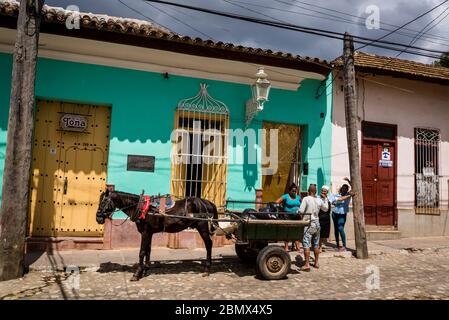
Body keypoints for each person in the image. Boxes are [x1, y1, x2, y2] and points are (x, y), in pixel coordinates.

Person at [298, 184, 329, 271]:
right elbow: (326, 209)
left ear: (308, 190)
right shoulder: (319, 200)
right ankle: (316, 262)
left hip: (308, 223)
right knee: (316, 244)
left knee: (306, 243)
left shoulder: (306, 199)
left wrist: (298, 211)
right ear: (315, 191)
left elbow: (300, 211)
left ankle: (307, 264)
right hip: (317, 223)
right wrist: (325, 198)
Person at [329, 178, 355, 252]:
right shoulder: (337, 195)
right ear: (341, 189)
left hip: (342, 214)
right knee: (336, 229)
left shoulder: (348, 194)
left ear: (347, 190)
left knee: (340, 228)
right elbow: (339, 199)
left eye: (346, 189)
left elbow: (354, 187)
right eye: (343, 188)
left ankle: (344, 245)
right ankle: (337, 244)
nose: (344, 190)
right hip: (334, 213)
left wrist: (349, 181)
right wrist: (349, 196)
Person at [275, 183, 301, 251]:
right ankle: (286, 247)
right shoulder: (285, 196)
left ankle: (297, 246)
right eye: (293, 191)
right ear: (289, 191)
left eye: (295, 191)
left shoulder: (298, 197)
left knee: (297, 231)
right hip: (287, 216)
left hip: (297, 216)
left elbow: (303, 204)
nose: (294, 192)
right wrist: (280, 208)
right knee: (287, 231)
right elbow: (276, 202)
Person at [318, 185, 332, 253]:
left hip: (327, 218)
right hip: (320, 217)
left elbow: (339, 199)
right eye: (322, 191)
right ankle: (319, 246)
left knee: (325, 234)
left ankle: (321, 245)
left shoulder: (329, 198)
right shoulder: (318, 198)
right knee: (320, 233)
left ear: (327, 192)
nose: (323, 192)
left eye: (325, 191)